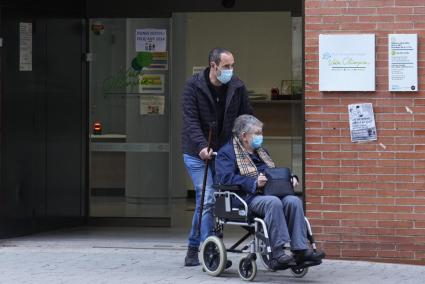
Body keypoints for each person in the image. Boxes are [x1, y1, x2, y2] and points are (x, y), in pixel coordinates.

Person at [215, 114, 325, 266]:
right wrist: (254, 182)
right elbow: (226, 179)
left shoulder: (261, 151)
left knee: (293, 201)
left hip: (268, 193)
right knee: (273, 203)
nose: (261, 136)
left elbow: (272, 172)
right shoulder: (226, 153)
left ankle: (300, 250)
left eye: (261, 133)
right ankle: (277, 252)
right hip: (245, 198)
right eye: (257, 133)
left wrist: (290, 178)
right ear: (244, 136)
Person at [181, 48, 253, 266]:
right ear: (213, 66)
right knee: (208, 197)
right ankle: (208, 251)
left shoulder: (237, 86)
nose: (230, 70)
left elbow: (246, 117)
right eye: (226, 66)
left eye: (232, 65)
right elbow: (190, 121)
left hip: (223, 153)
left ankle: (195, 249)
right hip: (196, 153)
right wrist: (202, 146)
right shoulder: (193, 86)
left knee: (213, 201)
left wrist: (249, 140)